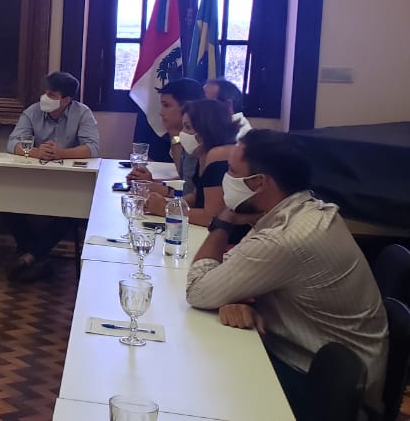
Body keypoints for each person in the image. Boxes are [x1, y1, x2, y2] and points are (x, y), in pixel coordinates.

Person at [185, 129, 388, 417]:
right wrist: (234, 297)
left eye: (232, 171)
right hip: (321, 360)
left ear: (259, 183)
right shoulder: (302, 210)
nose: (226, 179)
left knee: (203, 379)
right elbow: (230, 271)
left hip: (327, 389)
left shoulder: (284, 238)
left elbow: (198, 290)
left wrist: (223, 220)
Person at [4, 72, 100, 282]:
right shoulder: (32, 111)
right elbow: (12, 143)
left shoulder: (83, 113)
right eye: (45, 92)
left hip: (68, 184)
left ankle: (30, 257)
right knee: (7, 204)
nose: (45, 97)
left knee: (71, 211)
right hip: (33, 180)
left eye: (52, 95)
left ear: (66, 100)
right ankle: (36, 257)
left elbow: (92, 148)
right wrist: (35, 152)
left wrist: (61, 153)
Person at [141, 99, 236, 229]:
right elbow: (197, 196)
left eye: (188, 127)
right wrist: (171, 205)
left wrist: (165, 209)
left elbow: (211, 217)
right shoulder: (203, 153)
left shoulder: (217, 155)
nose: (182, 133)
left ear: (206, 128)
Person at [127, 77, 205, 195]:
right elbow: (184, 178)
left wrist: (149, 187)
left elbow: (190, 192)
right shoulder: (182, 137)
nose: (161, 112)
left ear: (187, 107)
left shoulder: (200, 142)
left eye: (167, 105)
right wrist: (151, 181)